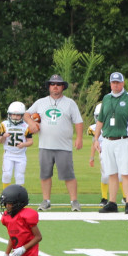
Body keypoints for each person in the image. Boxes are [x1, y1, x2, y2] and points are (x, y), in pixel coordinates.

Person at [26, 74, 85, 211]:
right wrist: (31, 123)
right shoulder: (41, 102)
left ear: (63, 87)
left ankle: (74, 201)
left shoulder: (70, 103)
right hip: (45, 145)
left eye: (58, 84)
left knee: (68, 174)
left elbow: (78, 121)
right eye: (52, 84)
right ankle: (46, 200)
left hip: (63, 146)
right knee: (45, 174)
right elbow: (26, 114)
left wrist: (79, 138)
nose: (55, 87)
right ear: (49, 87)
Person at [94, 71, 128, 214]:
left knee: (125, 172)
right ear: (110, 84)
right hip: (108, 140)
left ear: (123, 83)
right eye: (113, 82)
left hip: (123, 140)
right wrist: (96, 139)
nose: (116, 85)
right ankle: (112, 202)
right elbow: (100, 120)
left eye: (118, 82)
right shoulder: (106, 98)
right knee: (111, 173)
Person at [0, 101, 33, 191]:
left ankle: (19, 195)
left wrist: (23, 144)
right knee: (6, 174)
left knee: (20, 176)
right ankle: (6, 193)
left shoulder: (26, 126)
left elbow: (30, 142)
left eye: (17, 115)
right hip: (8, 154)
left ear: (22, 115)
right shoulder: (4, 124)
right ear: (9, 115)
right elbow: (0, 142)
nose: (15, 117)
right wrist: (3, 137)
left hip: (21, 155)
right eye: (13, 115)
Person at [86, 103, 108, 207]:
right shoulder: (94, 128)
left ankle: (126, 197)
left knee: (121, 175)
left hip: (115, 151)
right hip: (102, 153)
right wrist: (92, 157)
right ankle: (104, 198)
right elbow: (94, 143)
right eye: (98, 116)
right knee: (105, 176)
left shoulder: (113, 126)